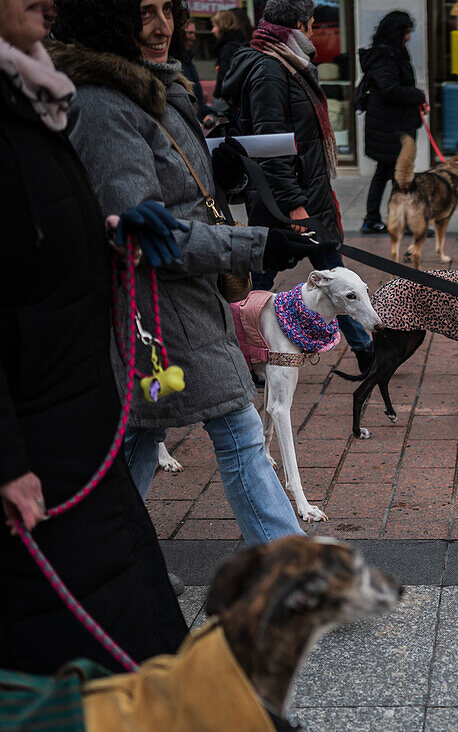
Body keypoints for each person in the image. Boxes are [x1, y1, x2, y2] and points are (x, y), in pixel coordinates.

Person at [51, 0, 329, 545]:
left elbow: (175, 195)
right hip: (157, 307)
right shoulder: (107, 105)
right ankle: (284, 572)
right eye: (141, 12)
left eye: (168, 11)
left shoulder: (153, 87)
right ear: (106, 20)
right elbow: (146, 234)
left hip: (171, 307)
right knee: (239, 430)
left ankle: (109, 558)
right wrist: (259, 245)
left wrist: (217, 170)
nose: (160, 27)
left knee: (137, 435)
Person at [0, 0, 187, 673]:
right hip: (33, 450)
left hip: (76, 422)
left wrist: (108, 237)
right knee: (79, 653)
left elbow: (28, 238)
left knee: (133, 624)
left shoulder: (34, 95)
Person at [221, 0, 375, 372]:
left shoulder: (280, 61)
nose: (312, 34)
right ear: (299, 25)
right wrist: (294, 205)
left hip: (302, 193)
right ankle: (234, 350)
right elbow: (271, 145)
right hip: (288, 198)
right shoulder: (272, 70)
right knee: (260, 279)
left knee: (328, 268)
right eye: (310, 26)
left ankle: (365, 350)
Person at [357, 10, 426, 235]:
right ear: (397, 32)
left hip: (392, 124)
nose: (408, 37)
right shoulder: (386, 57)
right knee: (398, 174)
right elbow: (390, 90)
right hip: (390, 127)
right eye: (406, 32)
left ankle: (375, 219)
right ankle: (397, 221)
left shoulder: (390, 53)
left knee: (388, 173)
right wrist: (418, 95)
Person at [209, 8, 246, 108]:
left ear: (222, 26)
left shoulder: (227, 49)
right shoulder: (240, 45)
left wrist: (216, 97)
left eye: (214, 26)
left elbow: (223, 76)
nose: (213, 30)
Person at [180, 19, 213, 125]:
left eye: (194, 33)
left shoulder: (189, 63)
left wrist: (209, 114)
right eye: (190, 33)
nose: (193, 37)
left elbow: (198, 100)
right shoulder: (176, 65)